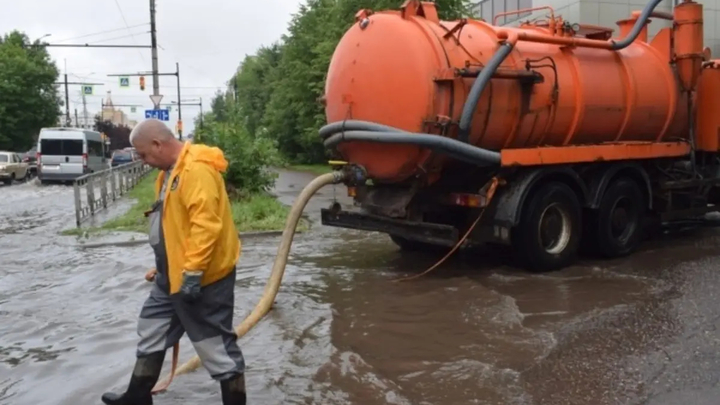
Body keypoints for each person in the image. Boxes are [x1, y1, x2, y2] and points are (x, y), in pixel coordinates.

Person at [101, 119, 246, 405]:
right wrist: (165, 265)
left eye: (143, 154)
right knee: (151, 327)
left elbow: (205, 226)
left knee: (214, 347)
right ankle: (137, 397)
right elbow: (176, 226)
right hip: (172, 277)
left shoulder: (196, 170)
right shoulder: (170, 172)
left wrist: (192, 271)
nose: (143, 161)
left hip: (203, 279)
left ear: (157, 144)